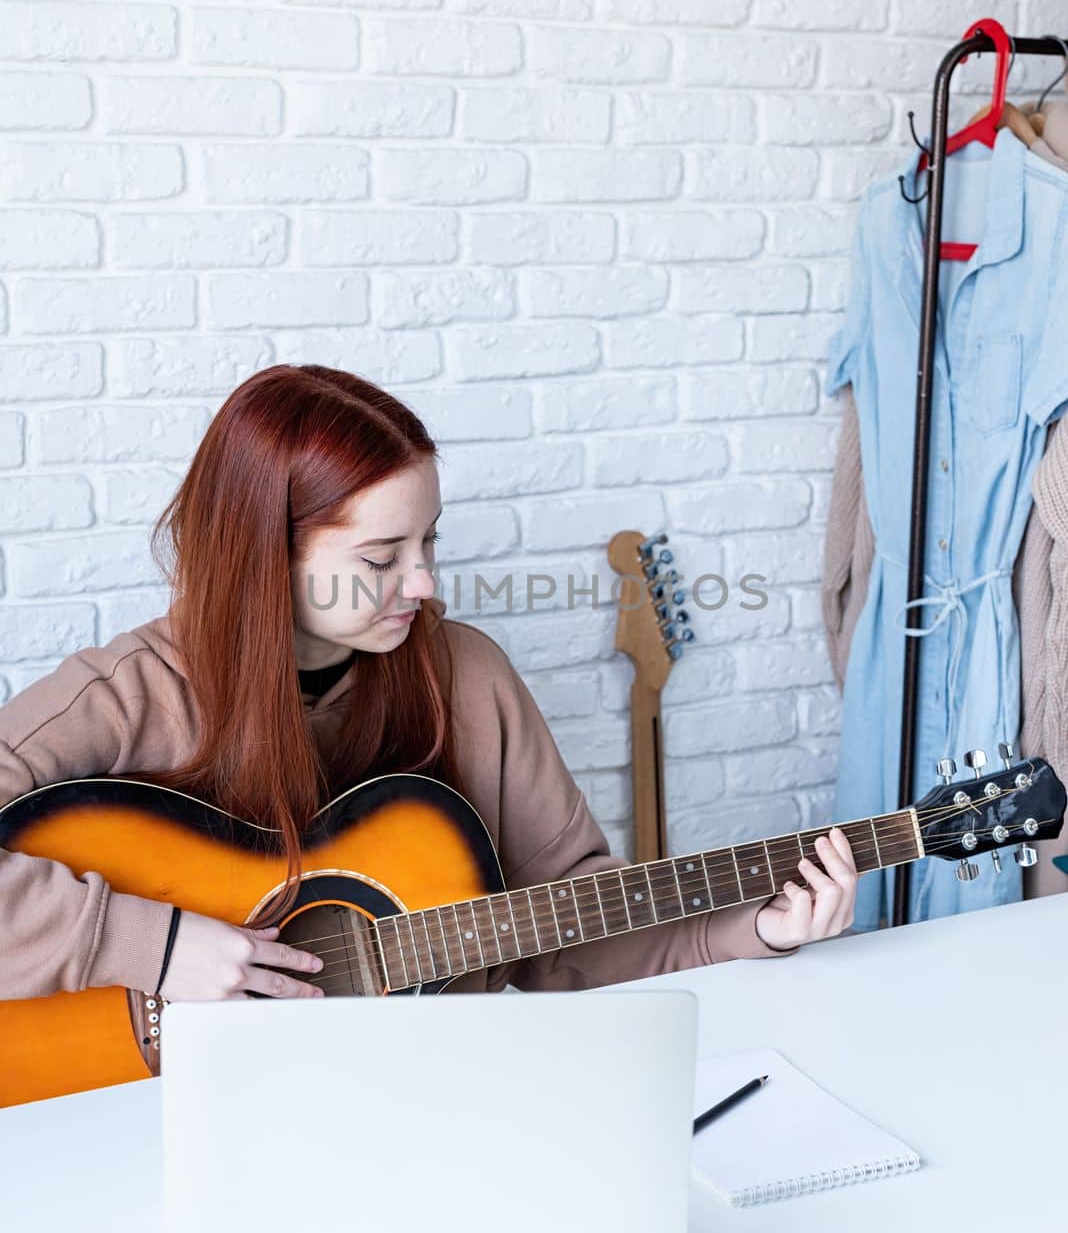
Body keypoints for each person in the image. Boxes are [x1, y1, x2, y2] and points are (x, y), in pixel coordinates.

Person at [0, 365, 857, 1007]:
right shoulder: (126, 695)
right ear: (263, 556)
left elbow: (561, 930)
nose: (423, 586)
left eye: (429, 545)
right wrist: (149, 946)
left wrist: (752, 930)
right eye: (381, 559)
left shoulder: (466, 675)